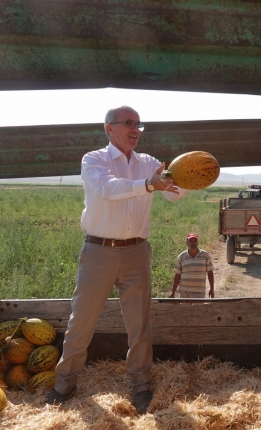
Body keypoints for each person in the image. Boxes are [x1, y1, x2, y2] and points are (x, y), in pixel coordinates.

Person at [46, 106, 189, 413]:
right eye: (128, 123)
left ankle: (141, 387)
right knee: (81, 321)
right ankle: (64, 386)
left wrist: (190, 174)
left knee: (139, 324)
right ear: (109, 128)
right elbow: (109, 189)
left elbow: (175, 193)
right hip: (98, 252)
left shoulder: (149, 163)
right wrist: (149, 184)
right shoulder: (93, 159)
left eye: (139, 124)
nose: (135, 129)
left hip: (137, 252)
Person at [169, 233, 215, 298]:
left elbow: (210, 273)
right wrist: (173, 292)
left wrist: (212, 289)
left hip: (199, 291)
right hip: (184, 291)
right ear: (187, 243)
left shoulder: (205, 256)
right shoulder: (181, 257)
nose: (193, 243)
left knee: (198, 308)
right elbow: (177, 275)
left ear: (198, 242)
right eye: (190, 241)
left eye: (195, 241)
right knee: (186, 308)